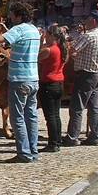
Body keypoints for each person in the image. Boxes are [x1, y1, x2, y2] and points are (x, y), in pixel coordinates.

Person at [0, 2, 41, 163]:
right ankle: (33, 150)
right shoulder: (34, 30)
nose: (11, 17)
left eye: (13, 15)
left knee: (17, 117)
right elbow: (18, 41)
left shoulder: (19, 29)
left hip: (19, 78)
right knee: (31, 116)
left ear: (19, 16)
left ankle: (23, 152)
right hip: (33, 78)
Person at [62, 11, 98, 147]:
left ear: (93, 21)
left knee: (77, 106)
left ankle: (72, 136)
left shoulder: (88, 36)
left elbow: (72, 50)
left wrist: (78, 60)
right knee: (94, 107)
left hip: (86, 74)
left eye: (88, 20)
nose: (86, 23)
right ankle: (95, 136)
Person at [37, 25, 68, 153]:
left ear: (53, 36)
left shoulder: (49, 50)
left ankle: (52, 143)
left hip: (48, 83)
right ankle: (57, 140)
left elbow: (36, 57)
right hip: (59, 82)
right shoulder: (61, 49)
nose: (46, 38)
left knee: (50, 116)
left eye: (47, 35)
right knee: (56, 114)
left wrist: (40, 42)